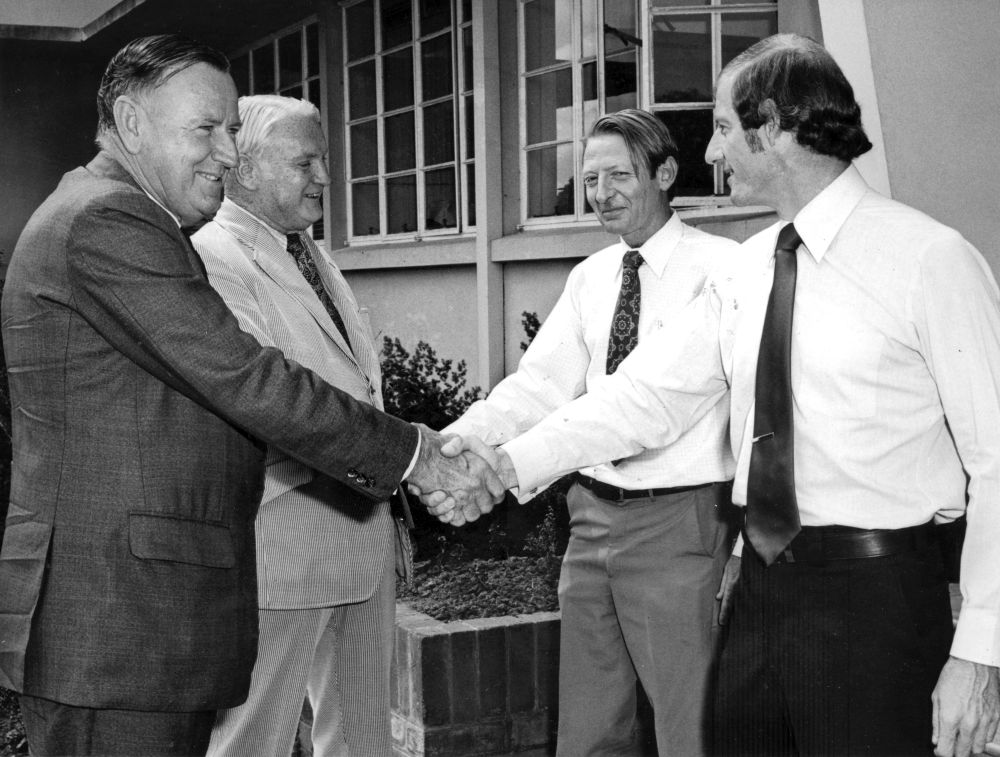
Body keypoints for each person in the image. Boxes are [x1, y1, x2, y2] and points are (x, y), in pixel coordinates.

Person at [428, 34, 1000, 757]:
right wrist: (504, 464)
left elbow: (998, 461)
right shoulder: (749, 269)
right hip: (760, 593)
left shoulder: (930, 260)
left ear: (774, 127)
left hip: (878, 594)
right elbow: (643, 395)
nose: (710, 152)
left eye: (725, 126)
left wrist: (982, 650)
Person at [0, 34, 499, 757]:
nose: (227, 154)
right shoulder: (111, 221)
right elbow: (249, 377)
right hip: (114, 625)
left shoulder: (124, 217)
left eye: (232, 130)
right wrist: (416, 456)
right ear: (133, 125)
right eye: (206, 128)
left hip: (130, 620)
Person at [440, 109, 738, 756]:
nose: (601, 193)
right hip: (592, 517)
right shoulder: (592, 276)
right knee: (589, 730)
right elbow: (538, 388)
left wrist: (505, 467)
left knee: (694, 729)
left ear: (664, 172)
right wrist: (454, 447)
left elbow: (642, 407)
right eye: (589, 178)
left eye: (617, 175)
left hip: (680, 524)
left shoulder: (724, 271)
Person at [190, 93, 406, 757]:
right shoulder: (211, 258)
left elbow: (357, 388)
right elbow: (267, 399)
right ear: (244, 170)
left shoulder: (309, 252)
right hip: (277, 545)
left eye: (324, 160)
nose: (323, 177)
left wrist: (388, 512)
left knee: (365, 738)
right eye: (304, 162)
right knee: (253, 741)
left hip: (359, 535)